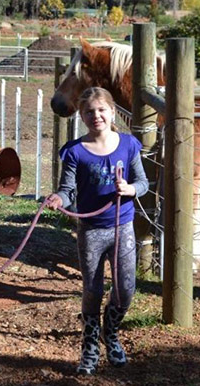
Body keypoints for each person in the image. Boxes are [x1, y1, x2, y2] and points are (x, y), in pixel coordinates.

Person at [43, 86, 148, 375]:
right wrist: (58, 199)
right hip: (90, 230)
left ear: (112, 112)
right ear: (81, 115)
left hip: (122, 227)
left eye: (101, 110)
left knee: (125, 289)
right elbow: (68, 191)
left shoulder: (128, 145)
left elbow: (143, 183)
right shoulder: (75, 151)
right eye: (89, 111)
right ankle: (89, 344)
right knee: (92, 289)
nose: (96, 116)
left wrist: (129, 189)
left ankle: (110, 332)